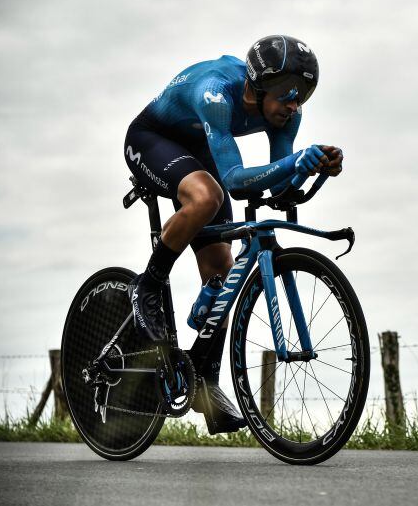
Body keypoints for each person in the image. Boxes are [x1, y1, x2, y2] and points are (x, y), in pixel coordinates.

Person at [123, 35, 343, 434]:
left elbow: (277, 190)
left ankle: (205, 381)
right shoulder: (216, 94)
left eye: (303, 97)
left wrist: (310, 169)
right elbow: (236, 181)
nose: (295, 105)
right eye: (288, 95)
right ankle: (148, 285)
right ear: (257, 87)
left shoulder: (286, 116)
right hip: (152, 139)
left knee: (222, 274)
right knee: (208, 195)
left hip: (202, 147)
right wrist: (296, 161)